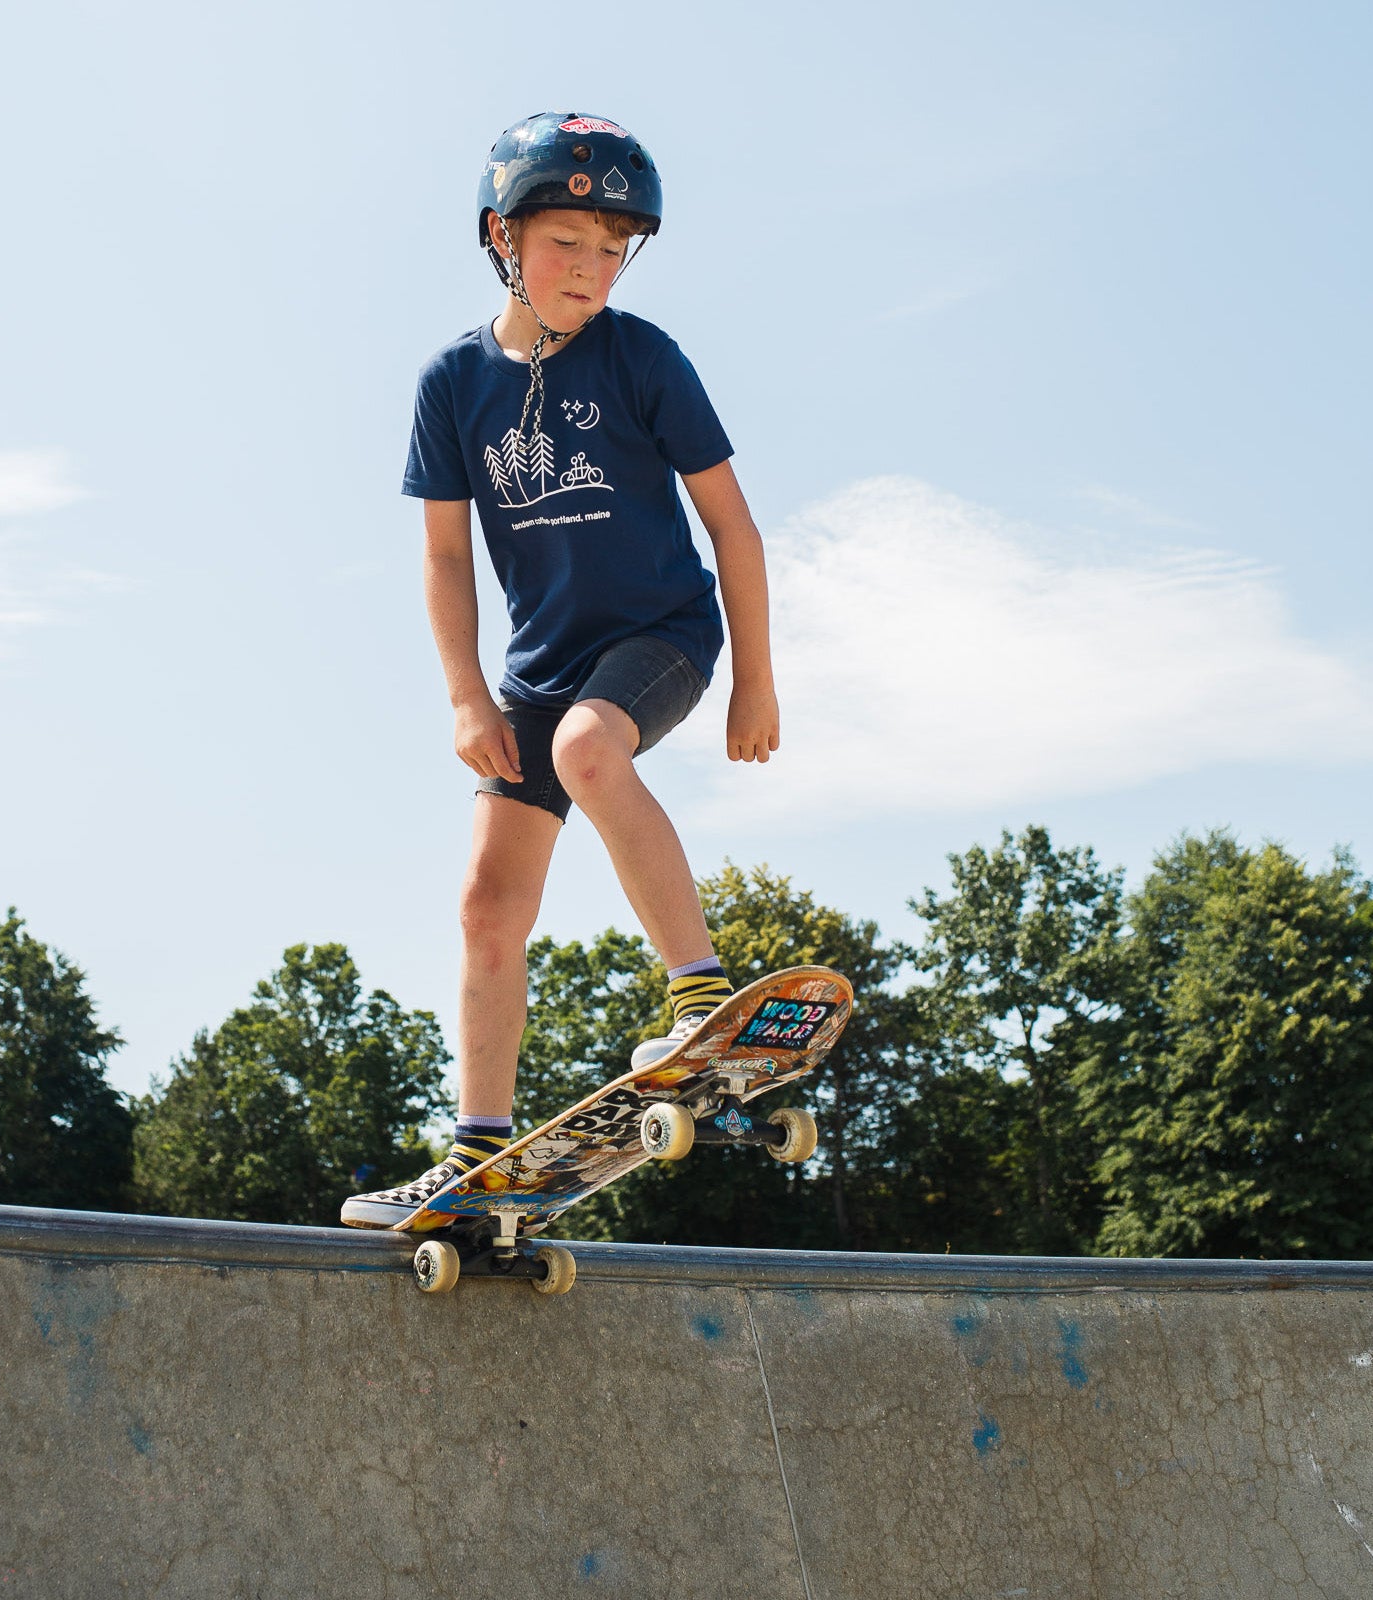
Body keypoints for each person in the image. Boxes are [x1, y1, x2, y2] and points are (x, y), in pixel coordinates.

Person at [341, 111, 778, 1229]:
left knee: (592, 749)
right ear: (501, 236)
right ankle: (477, 1163)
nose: (592, 271)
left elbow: (730, 525)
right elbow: (444, 555)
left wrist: (753, 679)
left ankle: (698, 998)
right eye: (566, 245)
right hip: (535, 673)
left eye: (612, 250)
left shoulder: (643, 356)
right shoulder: (452, 384)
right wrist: (465, 695)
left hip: (660, 635)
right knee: (488, 907)